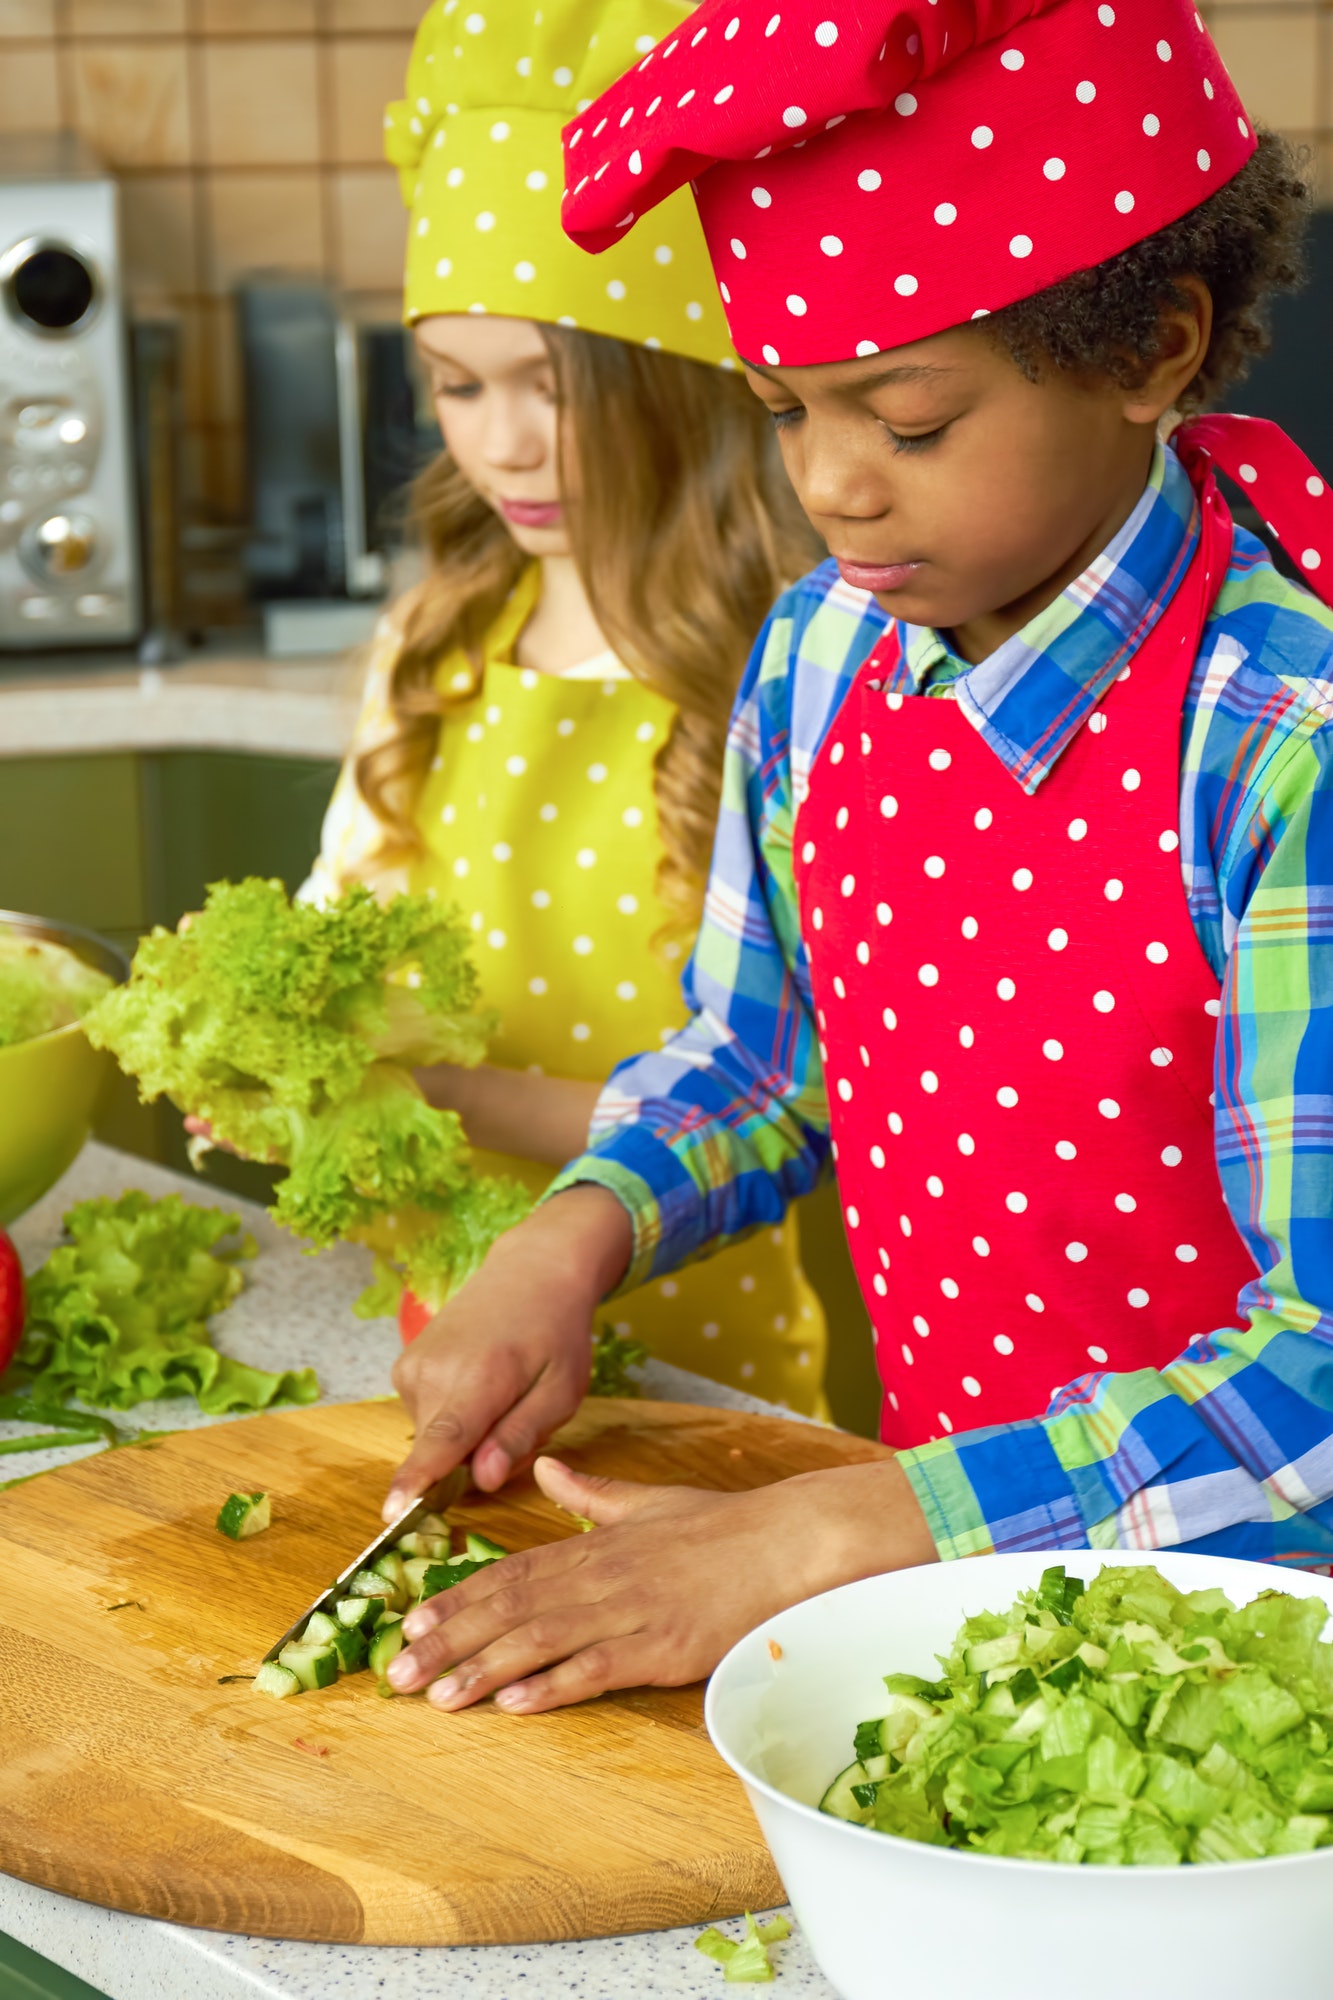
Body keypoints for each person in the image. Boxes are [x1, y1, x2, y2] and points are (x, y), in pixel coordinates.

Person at [380, 0, 1333, 1721]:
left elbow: (1320, 1376)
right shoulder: (820, 656)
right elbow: (766, 1059)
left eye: (903, 422)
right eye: (785, 410)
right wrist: (575, 1235)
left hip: (1258, 1677)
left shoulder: (1284, 741)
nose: (829, 488)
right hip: (946, 1608)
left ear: (1151, 350)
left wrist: (810, 1542)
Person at [303, 0, 831, 1413]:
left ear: (673, 382)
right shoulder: (437, 637)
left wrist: (430, 1093)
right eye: (457, 387)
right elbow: (331, 939)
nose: (503, 445)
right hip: (422, 1329)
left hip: (698, 1368)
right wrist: (278, 1056)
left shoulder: (783, 663)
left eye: (550, 385)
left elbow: (788, 1102)